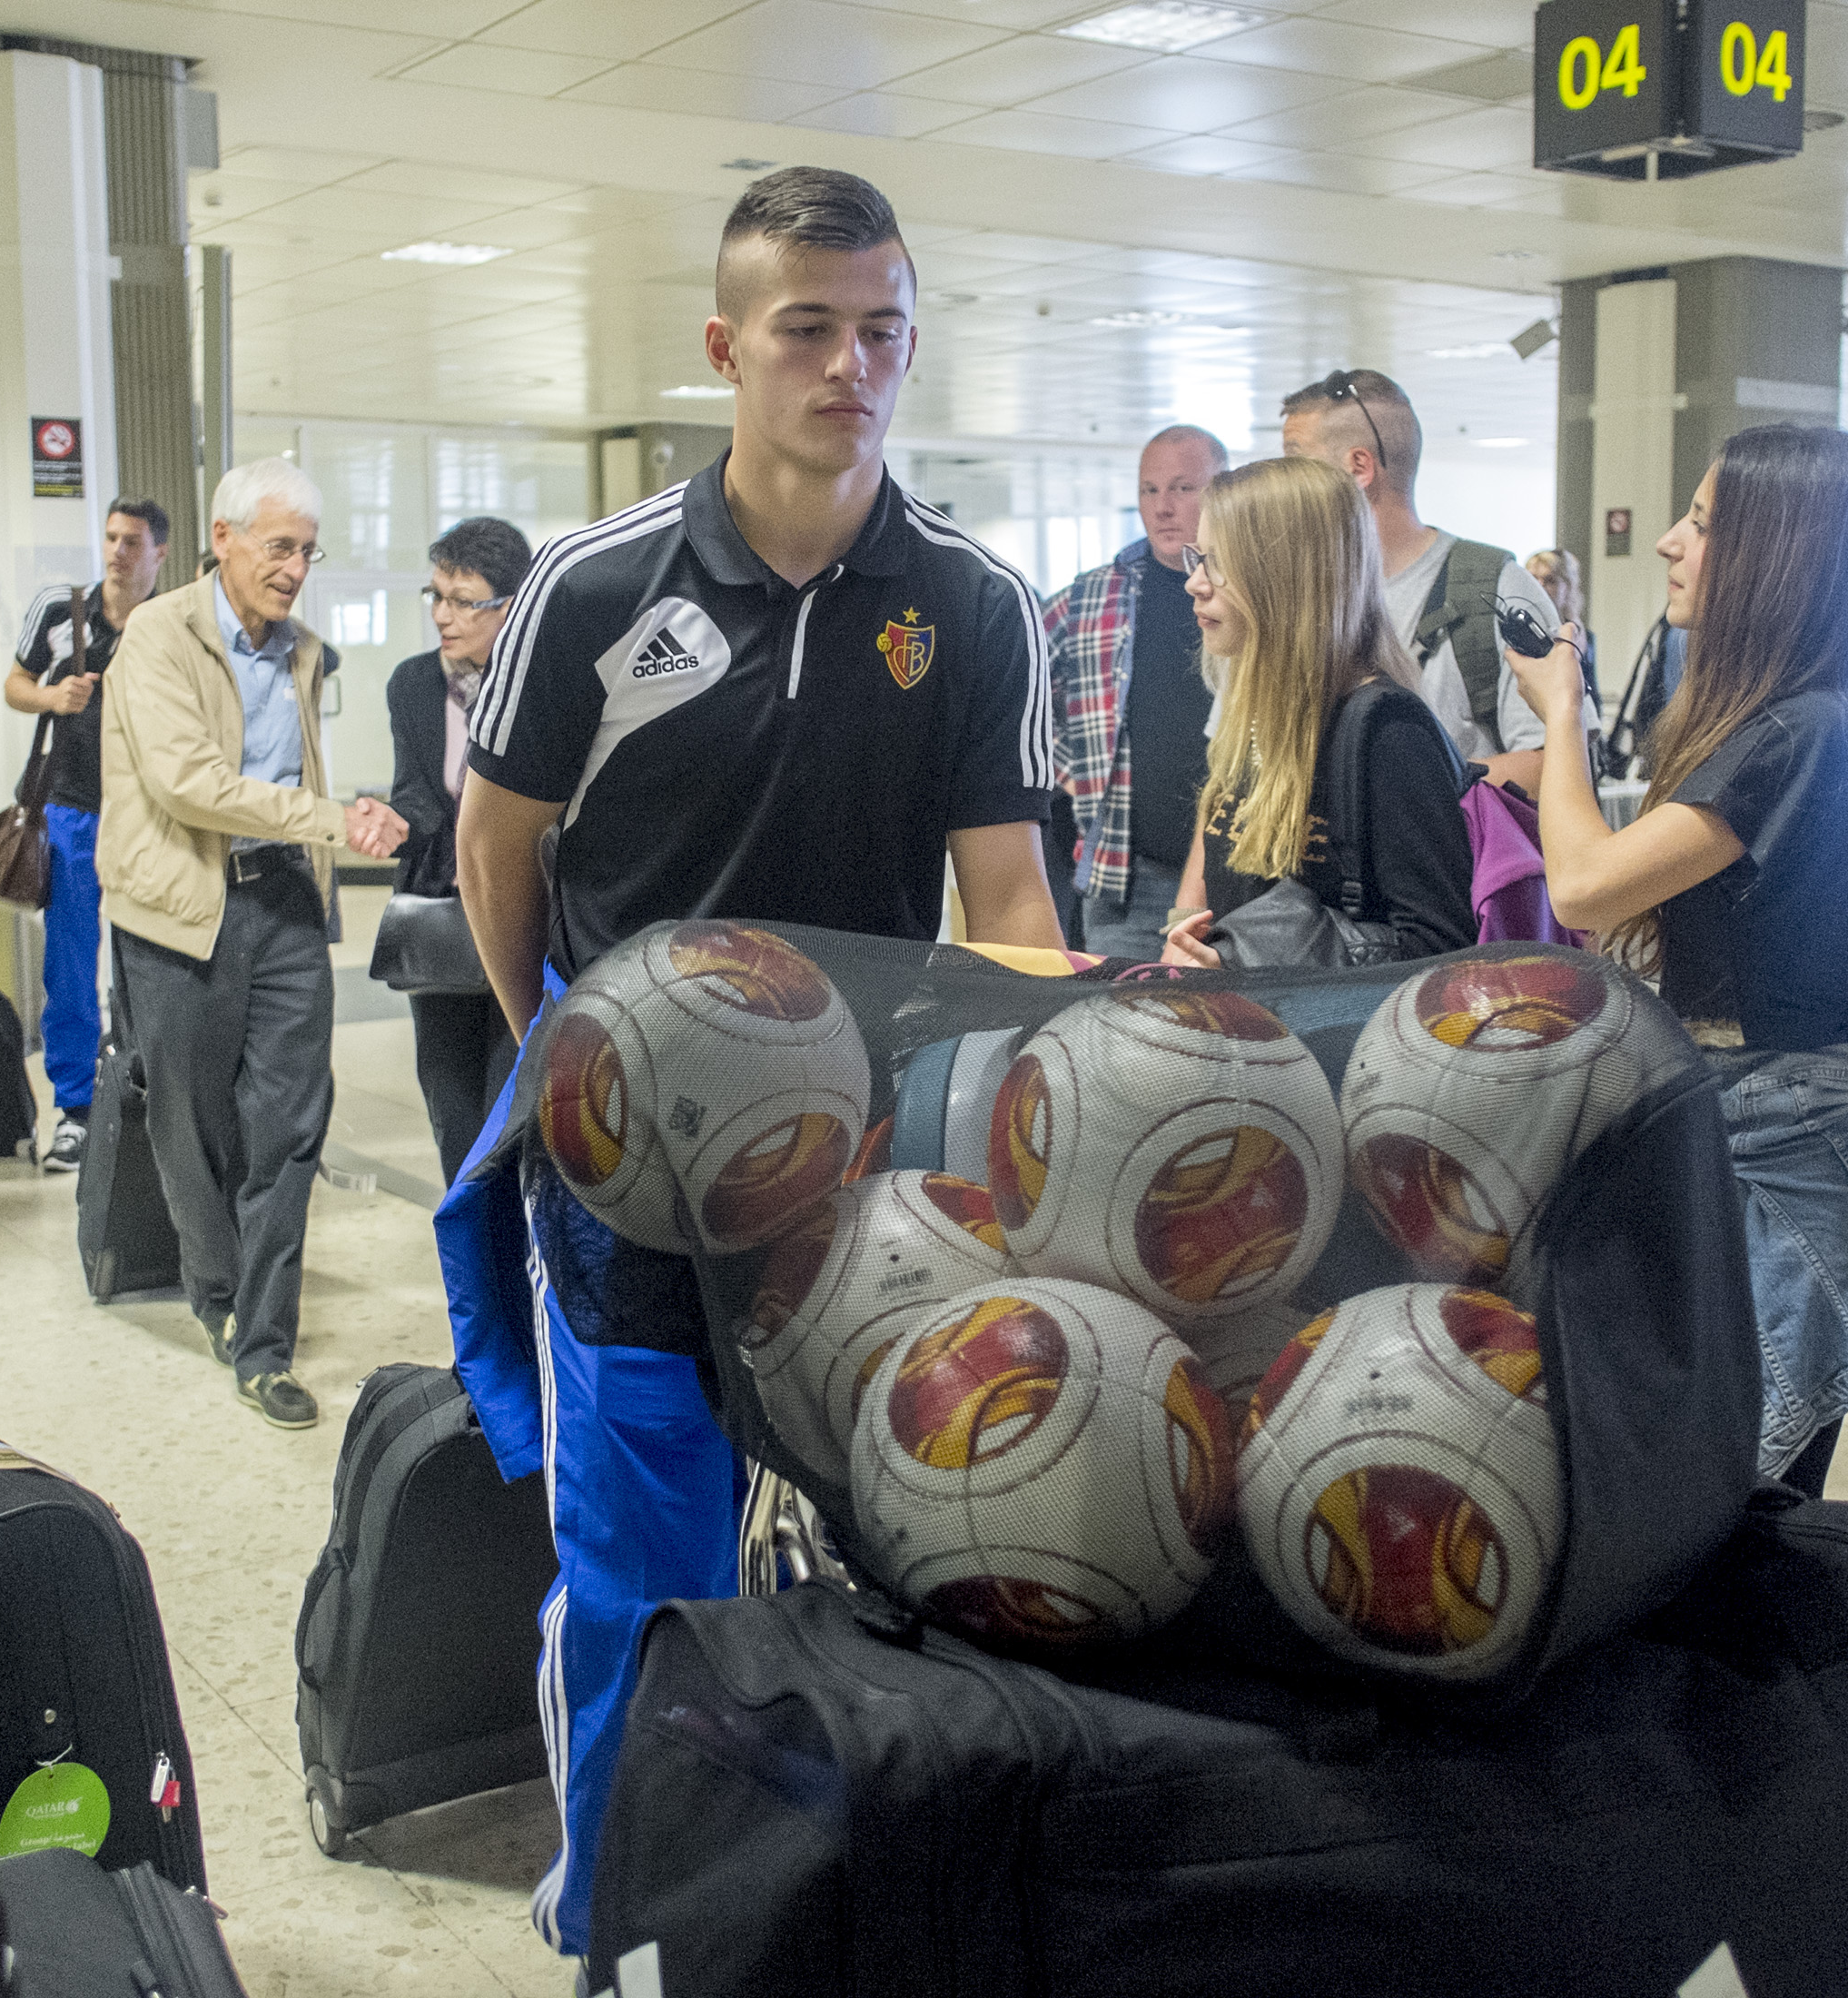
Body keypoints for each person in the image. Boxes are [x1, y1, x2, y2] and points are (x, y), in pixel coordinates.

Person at [454, 165, 1062, 1963]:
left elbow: (1009, 889)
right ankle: (625, 1909)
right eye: (809, 329)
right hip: (626, 1176)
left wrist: (1039, 1106)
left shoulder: (969, 602)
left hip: (865, 1178)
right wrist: (549, 1049)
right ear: (726, 346)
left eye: (884, 330)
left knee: (878, 1545)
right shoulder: (589, 587)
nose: (851, 366)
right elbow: (497, 844)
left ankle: (799, 1898)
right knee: (640, 1556)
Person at [1505, 423, 1848, 1490]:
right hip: (1763, 1128)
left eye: (1701, 521)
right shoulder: (1821, 721)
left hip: (1785, 1150)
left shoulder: (1804, 733)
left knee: (1730, 1517)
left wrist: (1562, 710)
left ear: (1781, 552)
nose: (1669, 543)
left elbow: (1587, 889)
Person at [98, 458, 407, 1429]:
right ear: (223, 539)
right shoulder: (157, 636)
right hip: (181, 908)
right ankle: (215, 1288)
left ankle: (264, 1340)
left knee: (288, 1128)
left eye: (308, 551)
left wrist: (334, 831)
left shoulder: (304, 649)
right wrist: (329, 816)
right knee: (187, 1126)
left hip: (282, 906)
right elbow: (187, 781)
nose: (294, 568)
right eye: (280, 547)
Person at [1152, 455, 1477, 970]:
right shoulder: (1255, 716)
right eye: (1199, 558)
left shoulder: (1388, 730)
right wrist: (1185, 946)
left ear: (1282, 576)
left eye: (1218, 562)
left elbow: (1439, 952)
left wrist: (1245, 965)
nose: (1195, 582)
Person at [1279, 369, 1565, 793]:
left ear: (1359, 467)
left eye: (1295, 463)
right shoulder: (1291, 593)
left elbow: (1557, 765)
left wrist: (1400, 793)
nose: (1280, 486)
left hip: (1452, 857)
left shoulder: (1495, 589)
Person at [5, 495, 172, 1172]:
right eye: (110, 538)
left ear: (159, 551)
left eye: (132, 542)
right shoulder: (58, 608)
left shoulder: (174, 620)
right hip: (72, 808)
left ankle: (146, 1094)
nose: (117, 552)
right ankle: (74, 1109)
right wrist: (52, 697)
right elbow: (15, 684)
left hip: (152, 813)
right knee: (70, 964)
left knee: (151, 958)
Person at [1046, 423, 1230, 958]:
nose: (1162, 507)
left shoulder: (1249, 593)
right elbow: (1013, 691)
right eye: (1149, 490)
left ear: (1223, 492)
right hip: (1125, 881)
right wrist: (1073, 769)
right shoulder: (1093, 595)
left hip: (1236, 884)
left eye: (1182, 488)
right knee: (1119, 1031)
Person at [386, 512, 531, 1181]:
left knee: (514, 1112)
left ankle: (519, 1266)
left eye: (464, 602)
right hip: (440, 921)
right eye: (436, 597)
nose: (443, 616)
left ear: (512, 605)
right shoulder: (414, 684)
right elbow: (418, 795)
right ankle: (470, 1267)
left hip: (525, 918)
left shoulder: (544, 683)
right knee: (451, 1109)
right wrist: (390, 822)